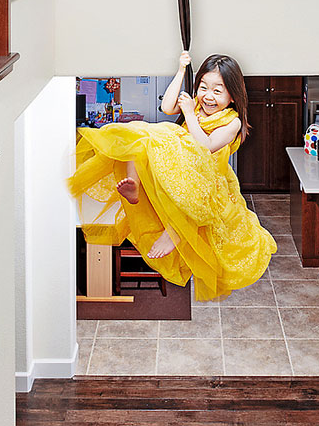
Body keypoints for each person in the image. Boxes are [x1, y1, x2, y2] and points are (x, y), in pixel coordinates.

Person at [68, 52, 277, 302]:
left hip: (208, 180)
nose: (208, 96)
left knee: (171, 154)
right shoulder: (197, 105)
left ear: (233, 95)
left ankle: (174, 231)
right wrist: (180, 71)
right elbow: (167, 107)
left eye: (217, 91)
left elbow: (206, 146)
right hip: (183, 170)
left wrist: (189, 113)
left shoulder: (232, 122)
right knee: (138, 136)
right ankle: (135, 187)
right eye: (203, 88)